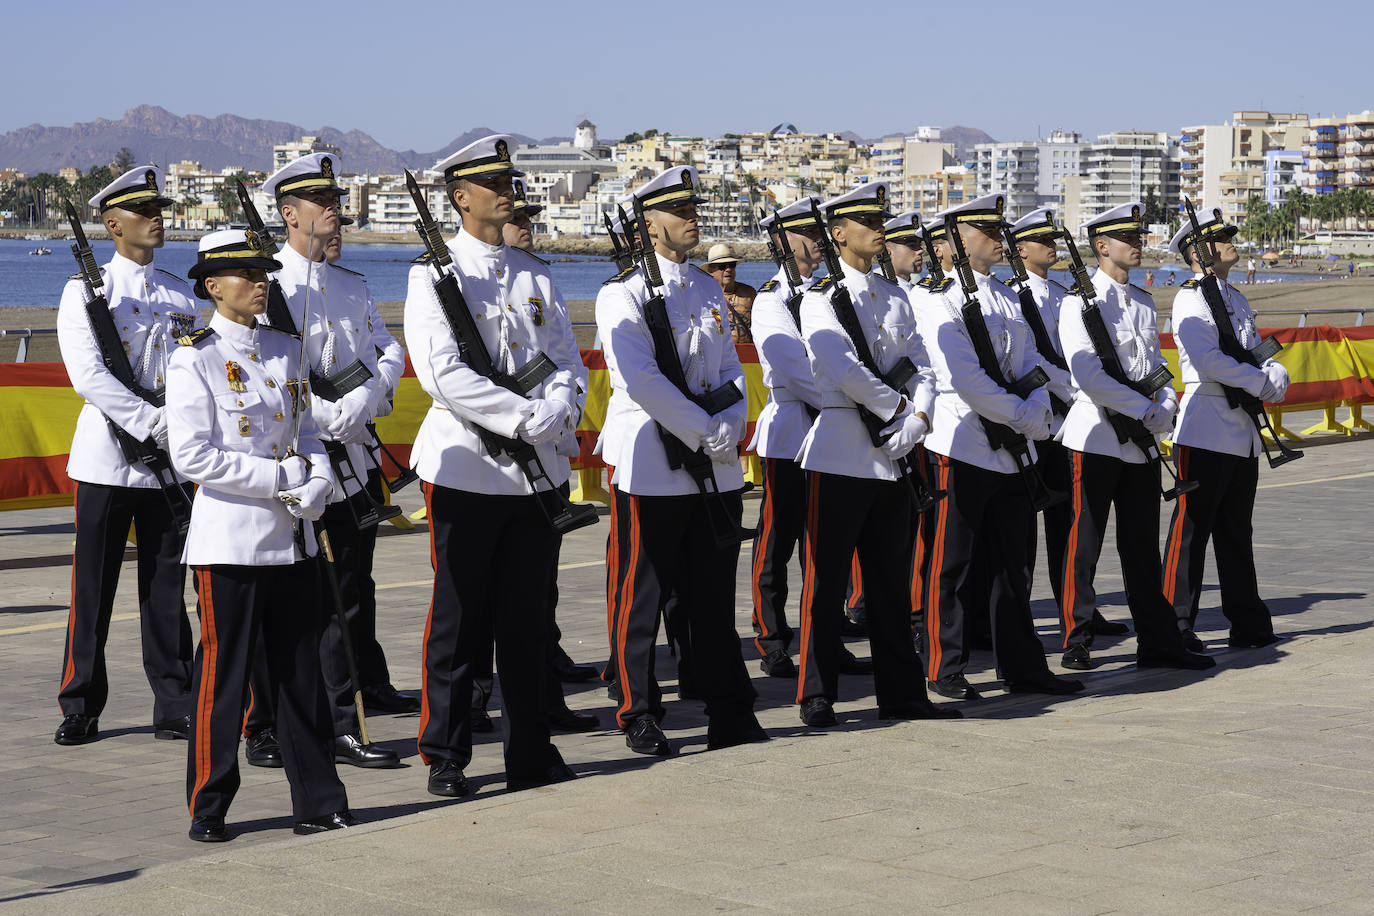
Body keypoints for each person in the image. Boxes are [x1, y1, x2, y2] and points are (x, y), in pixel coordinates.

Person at [404, 135, 580, 796]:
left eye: (510, 181)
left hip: (536, 472)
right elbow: (441, 374)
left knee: (527, 618)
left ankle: (530, 751)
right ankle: (445, 755)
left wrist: (560, 407)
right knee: (459, 618)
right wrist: (519, 417)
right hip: (469, 470)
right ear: (460, 198)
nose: (507, 192)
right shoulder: (433, 274)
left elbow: (565, 357)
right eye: (493, 183)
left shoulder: (535, 274)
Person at [169, 228, 354, 842]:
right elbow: (193, 456)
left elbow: (304, 433)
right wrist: (279, 477)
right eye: (246, 274)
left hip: (291, 537)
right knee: (224, 678)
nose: (260, 282)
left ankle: (319, 798)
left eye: (263, 272)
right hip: (231, 543)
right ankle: (210, 803)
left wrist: (320, 478)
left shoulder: (284, 349)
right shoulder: (192, 355)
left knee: (300, 674)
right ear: (212, 287)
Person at [595, 165, 765, 755]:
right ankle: (638, 709)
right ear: (649, 223)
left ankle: (728, 709)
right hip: (651, 462)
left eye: (694, 209)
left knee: (713, 598)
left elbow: (726, 370)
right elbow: (639, 378)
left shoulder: (707, 289)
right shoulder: (622, 293)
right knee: (641, 595)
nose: (693, 218)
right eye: (679, 211)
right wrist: (702, 429)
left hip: (711, 464)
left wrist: (730, 427)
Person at [793, 182, 957, 726]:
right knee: (826, 583)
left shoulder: (896, 297)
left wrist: (921, 418)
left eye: (881, 220)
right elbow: (839, 366)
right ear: (838, 234)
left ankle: (903, 695)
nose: (879, 228)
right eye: (867, 221)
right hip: (842, 451)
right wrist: (897, 411)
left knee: (891, 583)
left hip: (895, 454)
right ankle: (817, 694)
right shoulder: (818, 298)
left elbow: (924, 366)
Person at [260, 152, 404, 769]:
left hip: (354, 462)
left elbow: (388, 351)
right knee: (285, 601)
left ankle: (344, 724)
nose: (336, 211)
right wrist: (323, 417)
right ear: (290, 216)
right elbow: (265, 372)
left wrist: (368, 397)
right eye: (323, 204)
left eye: (336, 201)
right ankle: (270, 724)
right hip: (297, 464)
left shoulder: (351, 286)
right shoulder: (267, 285)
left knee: (346, 594)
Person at [919, 193, 1084, 700]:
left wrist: (1036, 411)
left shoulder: (1010, 297)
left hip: (1013, 448)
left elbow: (1030, 363)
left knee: (1015, 564)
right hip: (963, 442)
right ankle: (942, 665)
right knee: (951, 562)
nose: (999, 238)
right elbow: (963, 378)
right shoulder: (936, 298)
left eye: (1000, 229)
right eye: (986, 230)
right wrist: (1023, 415)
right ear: (956, 242)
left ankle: (1022, 664)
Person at [54, 166, 196, 746]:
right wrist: (154, 422)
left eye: (159, 209)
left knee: (166, 589)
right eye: (144, 212)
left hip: (168, 464)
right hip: (109, 462)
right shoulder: (86, 291)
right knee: (94, 589)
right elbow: (88, 375)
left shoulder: (180, 291)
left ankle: (175, 701)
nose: (157, 218)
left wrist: (176, 430)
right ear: (113, 225)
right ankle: (80, 704)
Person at [1055, 202, 1214, 673]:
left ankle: (1158, 640)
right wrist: (1143, 409)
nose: (1138, 244)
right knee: (1083, 545)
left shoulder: (1143, 303)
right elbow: (1086, 372)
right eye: (1129, 238)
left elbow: (1155, 368)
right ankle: (1076, 637)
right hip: (1097, 438)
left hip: (1139, 441)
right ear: (1101, 247)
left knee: (1141, 547)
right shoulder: (1077, 302)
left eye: (1140, 237)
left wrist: (1166, 403)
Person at [1163, 207, 1289, 649]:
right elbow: (1207, 360)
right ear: (1199, 251)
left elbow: (1255, 350)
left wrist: (1275, 377)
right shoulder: (1190, 298)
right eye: (1223, 238)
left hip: (1241, 428)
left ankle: (1248, 620)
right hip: (1205, 425)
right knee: (1192, 531)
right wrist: (1259, 382)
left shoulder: (1235, 297)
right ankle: (1176, 624)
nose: (1233, 241)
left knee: (1237, 530)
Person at [748, 198, 825, 677]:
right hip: (792, 431)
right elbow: (797, 372)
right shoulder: (771, 299)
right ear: (781, 242)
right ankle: (771, 637)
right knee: (777, 543)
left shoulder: (825, 293)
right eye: (806, 233)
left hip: (832, 431)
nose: (817, 241)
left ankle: (824, 636)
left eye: (819, 232)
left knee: (823, 546)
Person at [701, 242, 757, 343]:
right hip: (718, 355)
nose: (728, 270)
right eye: (722, 266)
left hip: (749, 355)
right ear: (710, 270)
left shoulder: (749, 293)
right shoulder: (703, 296)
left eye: (731, 265)